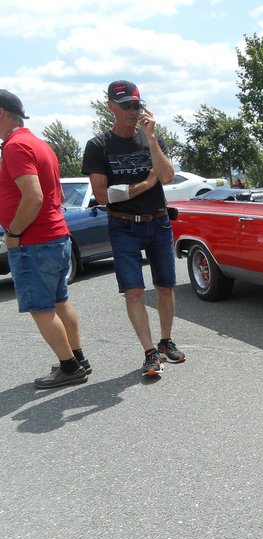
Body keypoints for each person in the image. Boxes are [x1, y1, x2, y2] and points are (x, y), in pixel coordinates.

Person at [82, 80, 185, 377]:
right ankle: (149, 352)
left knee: (165, 285)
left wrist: (151, 139)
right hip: (124, 226)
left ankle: (166, 342)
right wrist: (144, 184)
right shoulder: (99, 145)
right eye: (125, 104)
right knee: (134, 292)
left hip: (159, 221)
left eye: (136, 104)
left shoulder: (152, 139)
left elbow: (166, 177)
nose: (131, 110)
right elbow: (103, 195)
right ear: (111, 106)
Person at [0, 90, 90, 389]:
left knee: (41, 307)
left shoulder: (14, 147)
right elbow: (57, 194)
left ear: (2, 113)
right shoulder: (39, 143)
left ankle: (69, 367)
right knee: (60, 300)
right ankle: (78, 359)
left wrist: (13, 234)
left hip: (33, 241)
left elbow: (34, 196)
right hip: (56, 235)